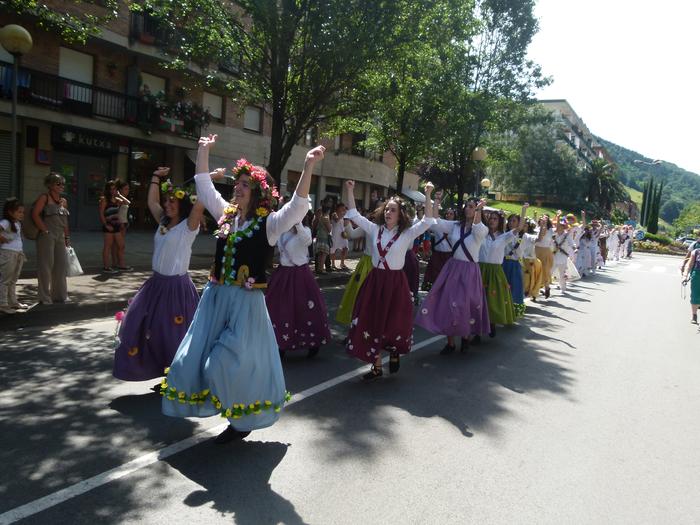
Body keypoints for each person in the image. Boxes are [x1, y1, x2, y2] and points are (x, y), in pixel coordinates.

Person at [162, 134, 324, 444]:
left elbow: (298, 206)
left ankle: (241, 416)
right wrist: (203, 150)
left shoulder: (270, 224)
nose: (238, 187)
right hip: (215, 299)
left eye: (245, 184)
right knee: (189, 361)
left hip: (245, 305)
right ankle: (232, 417)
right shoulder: (226, 215)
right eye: (238, 183)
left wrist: (307, 166)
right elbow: (204, 187)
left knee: (224, 362)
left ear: (259, 192)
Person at [113, 167, 205, 383]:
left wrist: (207, 179)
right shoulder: (163, 222)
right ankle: (148, 370)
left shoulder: (188, 227)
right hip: (155, 286)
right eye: (167, 201)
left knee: (170, 334)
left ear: (182, 205)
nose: (167, 204)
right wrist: (155, 177)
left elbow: (200, 204)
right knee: (135, 324)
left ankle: (175, 377)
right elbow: (152, 203)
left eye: (173, 202)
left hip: (176, 289)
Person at [343, 179, 435, 380]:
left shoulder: (407, 233)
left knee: (395, 321)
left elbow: (428, 220)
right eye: (386, 209)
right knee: (371, 320)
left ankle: (394, 351)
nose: (387, 213)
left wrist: (427, 195)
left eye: (392, 210)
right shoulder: (375, 229)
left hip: (395, 283)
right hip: (375, 281)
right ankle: (376, 366)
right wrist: (350, 190)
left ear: (400, 214)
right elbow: (354, 214)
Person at [415, 195, 489, 354]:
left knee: (465, 305)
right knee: (449, 304)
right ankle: (450, 343)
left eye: (473, 206)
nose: (469, 208)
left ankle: (465, 338)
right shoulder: (455, 225)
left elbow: (477, 228)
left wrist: (479, 210)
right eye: (468, 206)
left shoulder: (482, 229)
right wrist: (435, 200)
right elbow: (436, 223)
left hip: (470, 271)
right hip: (453, 269)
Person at [266, 213, 330, 358]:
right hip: (283, 274)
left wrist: (297, 223)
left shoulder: (305, 230)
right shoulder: (282, 231)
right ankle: (279, 343)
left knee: (306, 309)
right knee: (278, 309)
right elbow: (271, 240)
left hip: (301, 275)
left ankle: (313, 342)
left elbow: (307, 241)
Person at [479, 206, 527, 336]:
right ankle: (476, 331)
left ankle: (491, 323)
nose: (492, 221)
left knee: (492, 299)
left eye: (495, 219)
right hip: (480, 269)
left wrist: (523, 211)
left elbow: (519, 228)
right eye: (490, 218)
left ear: (499, 222)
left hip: (495, 271)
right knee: (478, 300)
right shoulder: (482, 233)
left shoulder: (504, 236)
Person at [32, 172, 70, 304]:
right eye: (58, 183)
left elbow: (65, 221)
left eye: (63, 184)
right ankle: (44, 297)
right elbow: (35, 214)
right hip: (46, 236)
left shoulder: (63, 201)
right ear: (50, 185)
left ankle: (60, 296)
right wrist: (45, 230)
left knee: (61, 266)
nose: (62, 186)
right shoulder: (44, 197)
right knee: (45, 267)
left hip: (60, 236)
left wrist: (67, 237)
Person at [335, 218, 374, 326]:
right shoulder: (369, 225)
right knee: (359, 294)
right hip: (367, 264)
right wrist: (347, 220)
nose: (387, 212)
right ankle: (357, 328)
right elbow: (351, 234)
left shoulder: (391, 228)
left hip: (382, 266)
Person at [0, 198, 27, 313]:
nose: (22, 214)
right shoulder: (6, 222)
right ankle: (3, 303)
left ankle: (13, 302)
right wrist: (2, 239)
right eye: (19, 212)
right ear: (10, 212)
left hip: (17, 254)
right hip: (8, 253)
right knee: (5, 280)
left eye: (23, 212)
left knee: (13, 280)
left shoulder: (17, 223)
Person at [502, 209, 529, 318]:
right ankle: (502, 310)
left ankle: (514, 311)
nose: (511, 223)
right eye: (510, 221)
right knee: (503, 288)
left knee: (515, 288)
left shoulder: (522, 236)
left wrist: (523, 211)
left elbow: (520, 226)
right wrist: (503, 217)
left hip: (514, 264)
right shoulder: (505, 234)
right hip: (503, 263)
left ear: (519, 223)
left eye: (514, 221)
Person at [421, 208, 455, 291]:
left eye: (451, 214)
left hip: (449, 257)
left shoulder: (456, 227)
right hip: (437, 256)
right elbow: (426, 225)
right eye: (447, 213)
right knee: (435, 278)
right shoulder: (437, 225)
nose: (448, 215)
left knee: (448, 279)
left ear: (454, 216)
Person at [99, 180, 127, 274]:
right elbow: (101, 214)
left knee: (121, 245)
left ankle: (121, 265)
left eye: (114, 189)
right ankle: (106, 267)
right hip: (108, 226)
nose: (112, 191)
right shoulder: (104, 199)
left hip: (116, 225)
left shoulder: (117, 200)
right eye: (110, 189)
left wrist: (119, 194)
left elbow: (127, 202)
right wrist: (105, 225)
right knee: (108, 246)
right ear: (107, 190)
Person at [521, 218, 543, 302]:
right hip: (519, 261)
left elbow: (539, 238)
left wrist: (542, 226)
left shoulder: (530, 236)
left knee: (529, 279)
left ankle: (531, 293)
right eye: (522, 225)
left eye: (525, 226)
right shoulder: (514, 234)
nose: (523, 227)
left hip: (529, 261)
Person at [552, 219, 576, 294]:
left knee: (562, 273)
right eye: (558, 225)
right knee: (549, 272)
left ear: (563, 227)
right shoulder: (553, 234)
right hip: (554, 256)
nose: (558, 227)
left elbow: (572, 243)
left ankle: (563, 288)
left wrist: (575, 248)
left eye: (560, 225)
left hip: (563, 256)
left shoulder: (567, 235)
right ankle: (545, 286)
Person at [534, 214, 555, 299]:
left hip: (546, 252)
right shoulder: (536, 229)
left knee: (545, 271)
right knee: (535, 271)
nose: (542, 221)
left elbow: (544, 234)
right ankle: (535, 291)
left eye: (545, 220)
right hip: (536, 251)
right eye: (541, 220)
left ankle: (547, 287)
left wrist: (557, 217)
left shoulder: (550, 230)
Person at [683, 247, 700, 324]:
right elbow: (689, 265)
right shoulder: (696, 252)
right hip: (697, 276)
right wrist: (685, 276)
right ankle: (694, 315)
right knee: (695, 296)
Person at [330, 202, 349, 270]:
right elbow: (336, 220)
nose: (344, 209)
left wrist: (347, 217)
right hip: (335, 234)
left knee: (345, 247)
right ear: (338, 208)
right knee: (334, 249)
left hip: (342, 234)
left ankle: (342, 263)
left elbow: (345, 224)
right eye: (342, 208)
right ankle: (333, 264)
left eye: (344, 208)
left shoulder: (343, 215)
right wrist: (343, 214)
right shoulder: (334, 214)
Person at [314, 206, 332, 274]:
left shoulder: (320, 218)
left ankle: (319, 269)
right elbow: (329, 229)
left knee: (319, 254)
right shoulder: (326, 218)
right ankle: (321, 269)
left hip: (319, 237)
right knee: (324, 254)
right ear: (327, 211)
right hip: (324, 238)